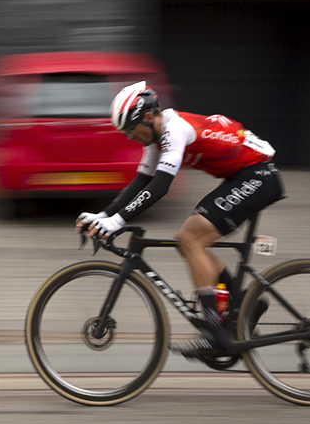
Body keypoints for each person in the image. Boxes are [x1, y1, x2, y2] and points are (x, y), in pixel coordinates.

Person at [76, 81, 285, 358]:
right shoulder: (156, 137)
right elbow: (141, 181)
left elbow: (161, 186)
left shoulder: (175, 130)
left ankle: (215, 332)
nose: (129, 137)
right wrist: (105, 215)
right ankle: (246, 303)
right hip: (243, 175)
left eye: (130, 129)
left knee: (191, 240)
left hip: (258, 176)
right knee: (186, 241)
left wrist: (117, 222)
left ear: (148, 117)